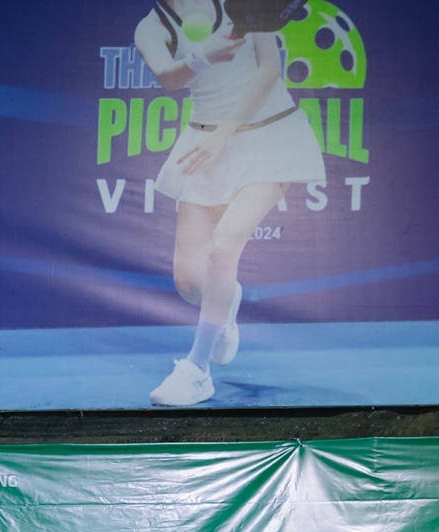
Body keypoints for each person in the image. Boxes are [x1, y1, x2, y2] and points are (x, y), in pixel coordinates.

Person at [138, 0, 325, 408]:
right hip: (203, 143)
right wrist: (202, 56)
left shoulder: (241, 2)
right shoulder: (151, 28)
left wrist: (225, 132)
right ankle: (225, 301)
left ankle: (196, 371)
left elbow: (269, 70)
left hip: (271, 135)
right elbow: (168, 78)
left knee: (223, 249)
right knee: (190, 284)